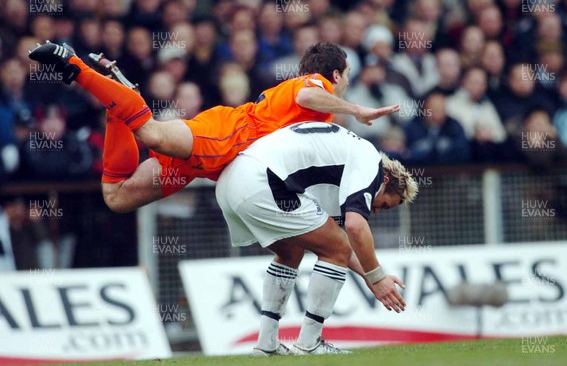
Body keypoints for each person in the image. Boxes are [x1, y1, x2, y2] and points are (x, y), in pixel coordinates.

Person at [28, 41, 399, 212]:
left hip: (214, 163)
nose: (347, 81)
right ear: (335, 74)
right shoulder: (315, 85)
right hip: (228, 135)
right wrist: (356, 110)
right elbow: (307, 97)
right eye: (347, 76)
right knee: (151, 132)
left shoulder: (315, 104)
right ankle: (75, 64)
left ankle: (118, 104)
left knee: (117, 197)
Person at [215, 121, 418, 355]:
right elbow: (354, 228)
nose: (376, 211)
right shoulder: (371, 163)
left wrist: (372, 278)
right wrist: (377, 276)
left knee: (291, 252)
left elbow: (337, 241)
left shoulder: (343, 166)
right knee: (336, 249)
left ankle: (266, 344)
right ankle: (309, 343)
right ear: (384, 180)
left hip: (232, 180)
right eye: (384, 205)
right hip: (262, 180)